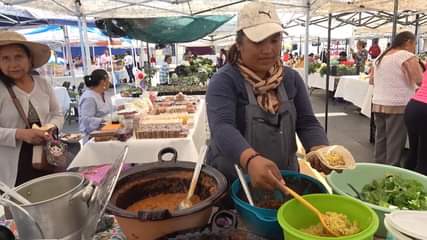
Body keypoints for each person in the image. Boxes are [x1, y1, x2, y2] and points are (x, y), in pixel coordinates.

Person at [206, 2, 333, 191]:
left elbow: (306, 122)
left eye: (274, 40)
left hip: (285, 177)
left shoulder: (290, 79)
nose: (268, 50)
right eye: (258, 42)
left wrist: (319, 148)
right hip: (236, 178)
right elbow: (222, 127)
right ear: (239, 44)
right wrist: (250, 159)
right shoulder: (224, 80)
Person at [0, 31, 64, 187]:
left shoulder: (42, 83)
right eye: (5, 58)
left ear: (29, 59)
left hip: (47, 154)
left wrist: (49, 128)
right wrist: (21, 134)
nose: (13, 64)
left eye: (19, 57)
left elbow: (57, 114)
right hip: (14, 165)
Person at [372, 31, 423, 167]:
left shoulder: (381, 57)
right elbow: (419, 80)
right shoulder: (406, 56)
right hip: (398, 103)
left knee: (381, 139)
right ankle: (391, 174)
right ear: (408, 42)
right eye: (414, 44)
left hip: (378, 102)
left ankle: (378, 169)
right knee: (395, 142)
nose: (414, 47)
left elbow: (371, 80)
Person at [404, 65, 427, 175]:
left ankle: (402, 184)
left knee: (413, 152)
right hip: (424, 110)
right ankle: (420, 189)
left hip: (413, 106)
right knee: (424, 158)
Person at [78, 69, 113, 138]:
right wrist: (103, 120)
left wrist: (120, 107)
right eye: (108, 79)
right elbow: (86, 119)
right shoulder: (89, 98)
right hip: (92, 135)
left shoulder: (104, 93)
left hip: (106, 129)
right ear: (103, 81)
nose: (109, 82)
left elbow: (107, 108)